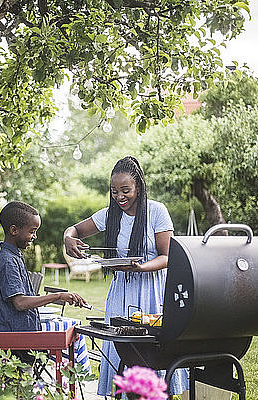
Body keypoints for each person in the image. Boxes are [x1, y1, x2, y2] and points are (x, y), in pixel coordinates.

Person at [63, 156, 189, 397]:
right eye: (114, 191)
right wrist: (68, 238)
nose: (119, 196)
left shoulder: (156, 211)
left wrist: (140, 268)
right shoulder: (110, 214)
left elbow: (167, 257)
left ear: (138, 187)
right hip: (121, 293)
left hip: (152, 292)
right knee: (120, 351)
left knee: (152, 352)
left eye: (125, 190)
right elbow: (75, 229)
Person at [0, 201, 87, 336]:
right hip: (14, 342)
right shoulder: (8, 260)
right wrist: (58, 296)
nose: (35, 236)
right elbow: (20, 302)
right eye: (32, 231)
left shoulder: (14, 256)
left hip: (20, 336)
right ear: (14, 230)